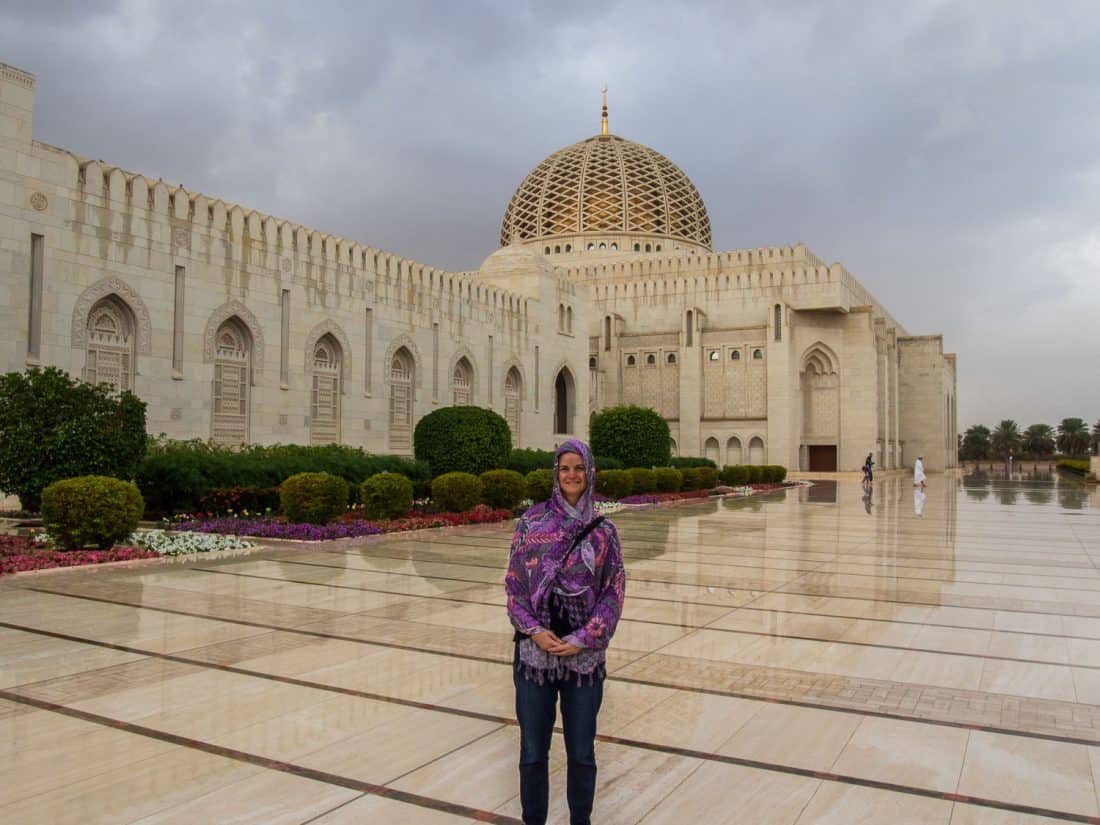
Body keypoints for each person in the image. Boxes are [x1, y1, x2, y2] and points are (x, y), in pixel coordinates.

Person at [505, 439, 626, 825]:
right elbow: (514, 587)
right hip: (535, 656)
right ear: (556, 475)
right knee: (532, 752)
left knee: (581, 753)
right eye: (564, 468)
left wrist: (584, 638)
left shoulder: (604, 532)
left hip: (583, 660)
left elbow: (614, 590)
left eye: (578, 468)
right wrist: (535, 631)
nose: (571, 475)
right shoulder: (532, 522)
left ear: (590, 473)